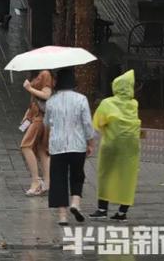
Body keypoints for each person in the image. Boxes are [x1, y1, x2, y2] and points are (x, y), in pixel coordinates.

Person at [44, 67, 96, 226]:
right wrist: (90, 142)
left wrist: (47, 142)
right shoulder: (81, 99)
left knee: (58, 178)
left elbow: (47, 124)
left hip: (57, 146)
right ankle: (75, 202)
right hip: (77, 144)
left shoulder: (51, 101)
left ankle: (62, 216)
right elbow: (87, 123)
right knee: (77, 175)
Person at [90, 70, 141, 222]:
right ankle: (122, 212)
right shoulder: (134, 104)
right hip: (131, 146)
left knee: (106, 174)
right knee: (127, 177)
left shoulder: (107, 103)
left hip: (111, 145)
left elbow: (97, 123)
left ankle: (102, 209)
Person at [20, 70, 54, 196]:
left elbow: (46, 95)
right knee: (41, 149)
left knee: (26, 146)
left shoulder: (45, 74)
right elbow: (34, 100)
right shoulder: (36, 74)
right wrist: (27, 115)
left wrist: (29, 88)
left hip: (40, 118)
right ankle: (47, 183)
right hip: (35, 116)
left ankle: (36, 181)